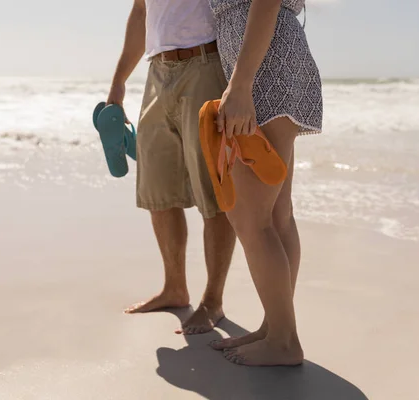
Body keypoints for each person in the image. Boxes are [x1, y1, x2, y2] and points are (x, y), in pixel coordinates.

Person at [107, 0, 237, 334]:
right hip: (157, 71)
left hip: (206, 63)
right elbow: (141, 11)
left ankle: (213, 300)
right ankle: (175, 288)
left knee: (213, 191)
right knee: (158, 189)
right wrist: (119, 81)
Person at [207, 0, 323, 365]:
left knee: (250, 217)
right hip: (268, 62)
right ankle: (276, 328)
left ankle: (285, 342)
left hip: (264, 68)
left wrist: (240, 85)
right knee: (275, 216)